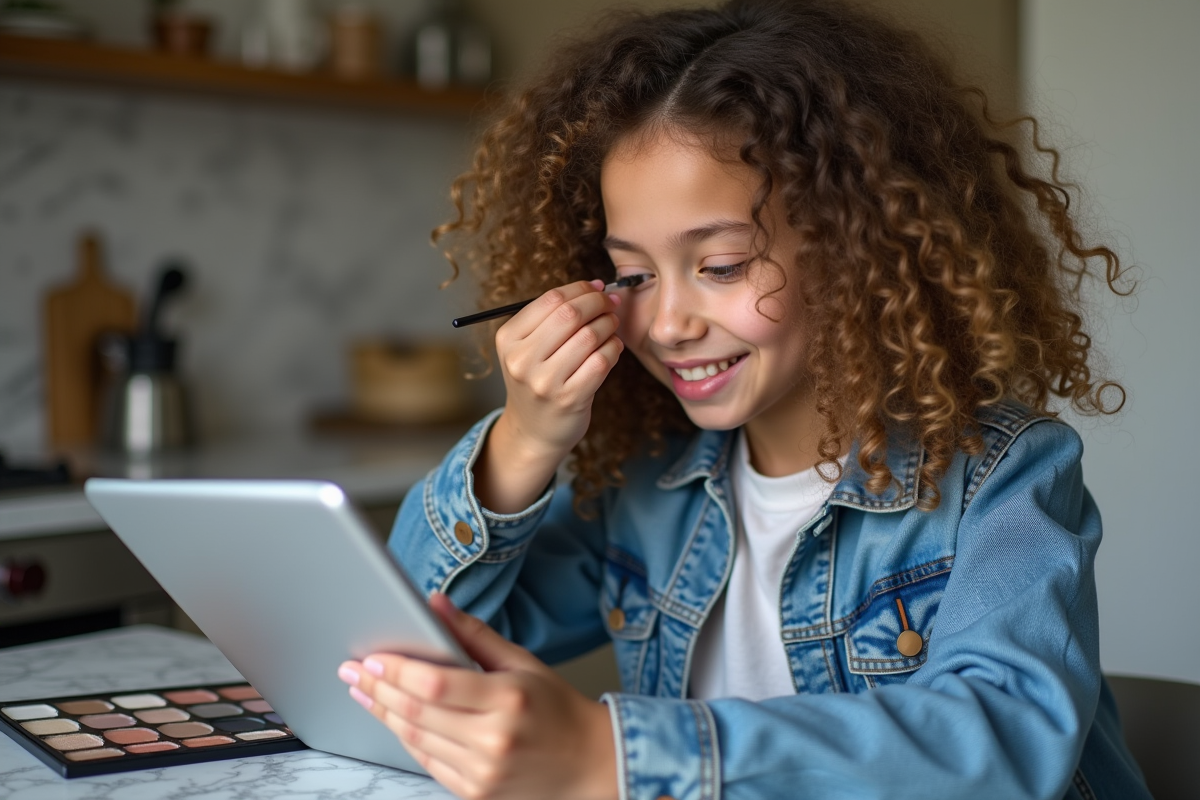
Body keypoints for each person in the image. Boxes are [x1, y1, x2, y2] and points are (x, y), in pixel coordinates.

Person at [336, 1, 1152, 798]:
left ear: (857, 250)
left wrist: (614, 755)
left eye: (721, 266)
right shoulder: (646, 484)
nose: (667, 323)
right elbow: (404, 642)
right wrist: (523, 442)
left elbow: (1006, 744)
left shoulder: (1002, 476)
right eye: (633, 275)